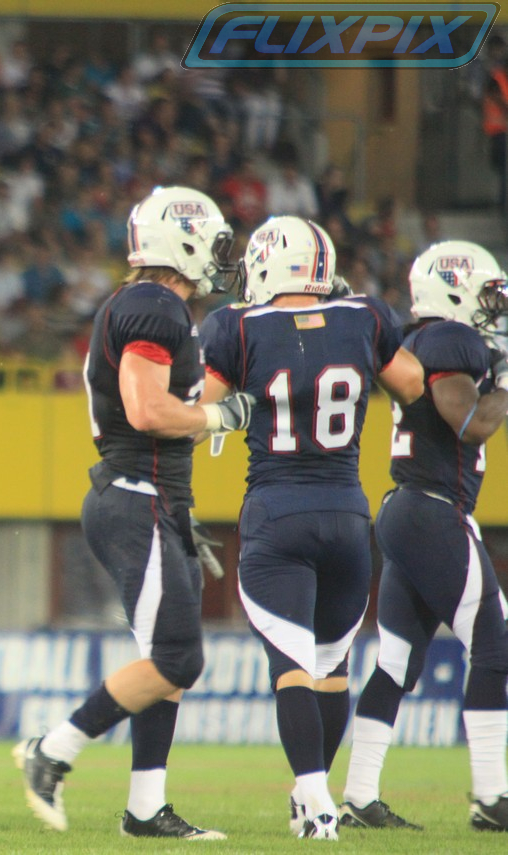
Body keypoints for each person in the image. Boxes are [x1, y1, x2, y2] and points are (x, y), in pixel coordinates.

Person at [15, 186, 253, 840]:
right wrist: (219, 416)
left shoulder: (150, 305)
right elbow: (148, 411)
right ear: (182, 241)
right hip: (135, 495)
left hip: (151, 497)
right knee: (178, 658)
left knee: (163, 663)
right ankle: (53, 749)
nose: (219, 256)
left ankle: (146, 808)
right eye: (212, 242)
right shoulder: (154, 305)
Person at [199, 216, 424, 840]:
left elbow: (202, 409)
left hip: (277, 511)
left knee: (292, 666)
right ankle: (312, 798)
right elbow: (412, 385)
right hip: (348, 513)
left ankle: (316, 800)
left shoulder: (235, 325)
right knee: (332, 665)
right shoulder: (365, 317)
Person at [339, 241, 508, 832]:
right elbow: (472, 425)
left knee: (396, 662)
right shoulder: (449, 339)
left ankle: (360, 796)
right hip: (433, 509)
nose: (493, 308)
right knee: (495, 642)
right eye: (486, 294)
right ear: (455, 291)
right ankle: (492, 796)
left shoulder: (423, 341)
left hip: (408, 509)